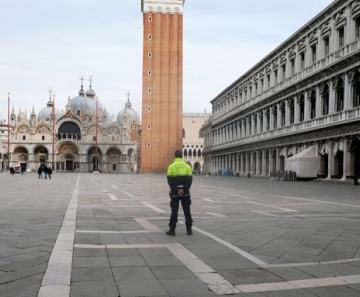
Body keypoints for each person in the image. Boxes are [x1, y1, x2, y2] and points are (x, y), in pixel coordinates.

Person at [166, 149, 193, 236]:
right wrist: (184, 190)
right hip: (185, 193)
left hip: (174, 193)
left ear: (175, 156)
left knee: (174, 211)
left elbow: (169, 180)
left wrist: (176, 190)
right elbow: (189, 180)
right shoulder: (187, 166)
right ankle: (189, 230)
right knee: (187, 211)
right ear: (182, 156)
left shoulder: (171, 166)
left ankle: (172, 230)